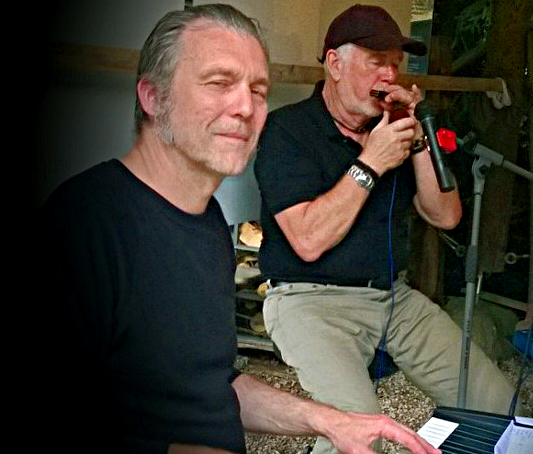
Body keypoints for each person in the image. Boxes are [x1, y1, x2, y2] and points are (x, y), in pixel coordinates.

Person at [36, 4, 441, 454]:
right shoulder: (86, 222)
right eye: (219, 83)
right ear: (153, 97)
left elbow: (214, 385)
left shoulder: (207, 222)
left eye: (258, 90)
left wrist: (330, 421)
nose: (246, 107)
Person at [254, 5, 464, 454]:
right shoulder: (287, 129)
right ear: (335, 64)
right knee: (357, 434)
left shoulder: (392, 131)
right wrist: (371, 162)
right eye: (376, 61)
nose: (389, 75)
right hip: (308, 299)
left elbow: (446, 216)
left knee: (493, 402)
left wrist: (418, 138)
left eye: (395, 63)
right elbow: (308, 241)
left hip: (393, 297)